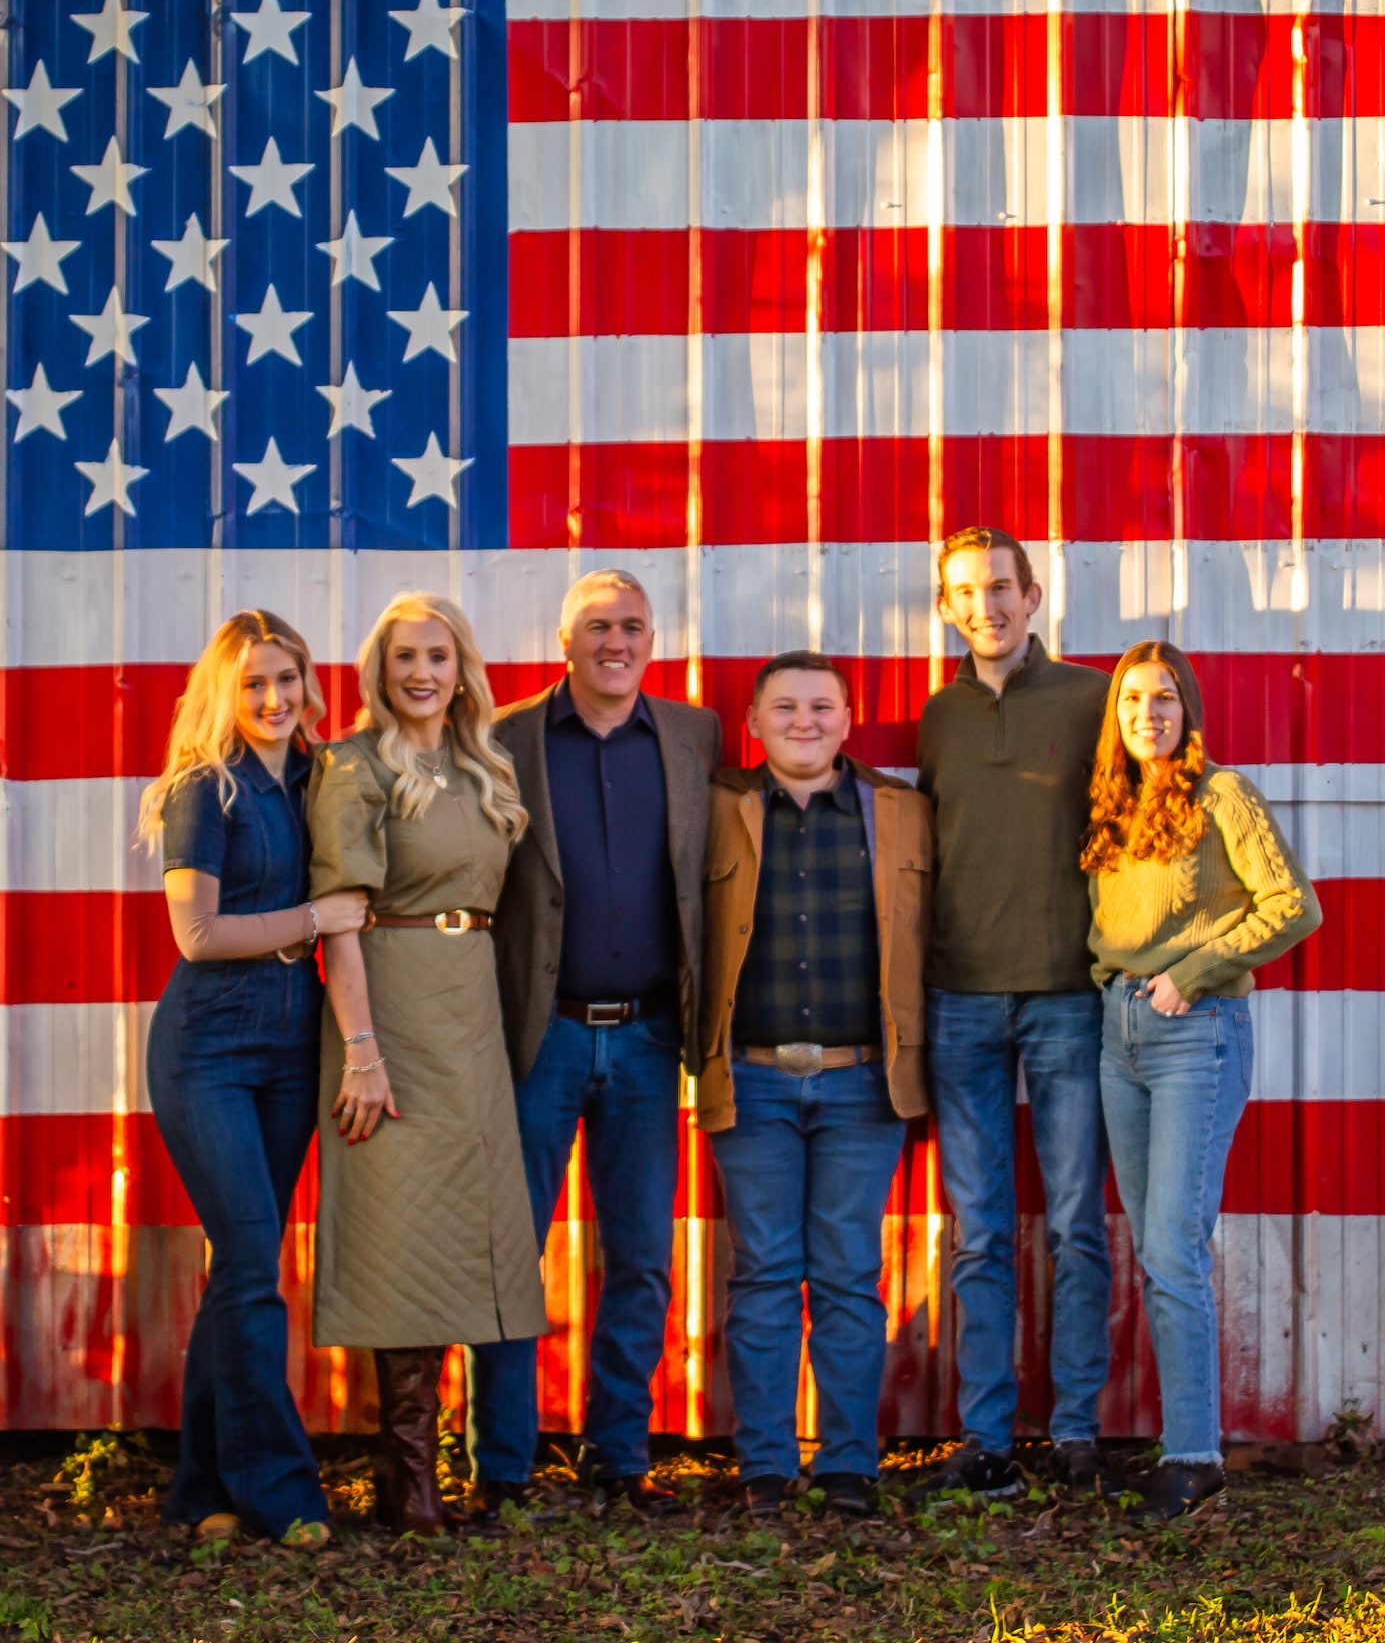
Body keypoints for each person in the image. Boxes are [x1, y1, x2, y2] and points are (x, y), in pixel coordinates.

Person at [472, 571, 721, 1518]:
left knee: (642, 1255)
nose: (616, 641)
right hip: (541, 1036)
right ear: (563, 638)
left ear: (652, 638)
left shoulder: (691, 737)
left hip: (652, 1037)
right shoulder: (507, 739)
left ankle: (617, 1453)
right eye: (596, 627)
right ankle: (501, 1461)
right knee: (509, 1250)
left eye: (632, 626)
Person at [308, 592, 547, 1536]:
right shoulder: (352, 765)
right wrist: (362, 1049)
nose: (421, 672)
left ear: (461, 667)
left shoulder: (483, 764)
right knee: (400, 1230)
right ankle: (408, 1486)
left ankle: (438, 1478)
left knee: (457, 1233)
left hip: (471, 1010)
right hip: (392, 1007)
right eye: (404, 655)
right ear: (381, 668)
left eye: (437, 656)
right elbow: (337, 920)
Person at [139, 611, 366, 1550]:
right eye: (255, 684)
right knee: (249, 1265)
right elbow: (198, 934)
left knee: (240, 1270)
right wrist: (316, 915)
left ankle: (201, 1490)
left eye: (288, 680)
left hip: (290, 1050)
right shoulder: (205, 788)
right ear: (225, 694)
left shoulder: (320, 778)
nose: (274, 700)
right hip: (207, 1049)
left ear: (309, 684)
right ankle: (282, 1491)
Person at [1082, 642, 1321, 1521]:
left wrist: (1194, 972)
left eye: (1165, 697)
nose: (1149, 712)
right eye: (1134, 698)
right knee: (1153, 1247)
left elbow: (1292, 903)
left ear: (1187, 709)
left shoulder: (1222, 793)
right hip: (1118, 1033)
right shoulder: (1113, 804)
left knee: (1174, 1249)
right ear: (1117, 713)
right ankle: (1182, 1443)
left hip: (1196, 1032)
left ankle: (1193, 1457)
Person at [694, 652, 934, 1517]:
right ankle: (763, 1462)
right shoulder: (717, 812)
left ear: (847, 717)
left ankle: (846, 1462)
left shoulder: (899, 814)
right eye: (785, 706)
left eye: (820, 706)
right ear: (753, 719)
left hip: (861, 1085)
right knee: (761, 1275)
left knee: (844, 1273)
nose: (804, 720)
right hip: (750, 1081)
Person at [914, 528, 1115, 1496]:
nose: (985, 605)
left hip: (1070, 997)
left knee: (1078, 1219)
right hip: (958, 1001)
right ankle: (986, 1434)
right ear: (948, 608)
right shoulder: (937, 716)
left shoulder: (1089, 699)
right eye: (966, 592)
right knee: (981, 1228)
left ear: (1032, 597)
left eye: (1000, 587)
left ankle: (1076, 1428)